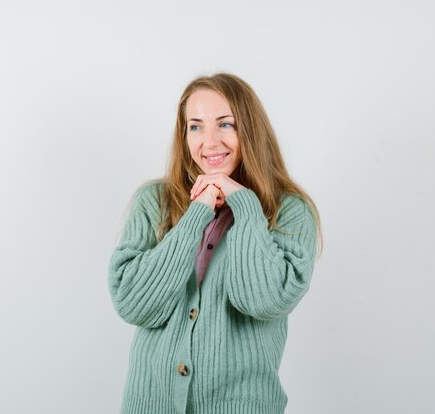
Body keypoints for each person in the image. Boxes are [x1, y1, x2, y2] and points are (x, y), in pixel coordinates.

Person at [108, 72, 323, 414]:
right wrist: (198, 212)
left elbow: (263, 301)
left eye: (225, 124)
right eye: (195, 126)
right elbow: (134, 304)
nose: (209, 141)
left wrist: (246, 207)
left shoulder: (289, 212)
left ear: (249, 130)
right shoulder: (154, 202)